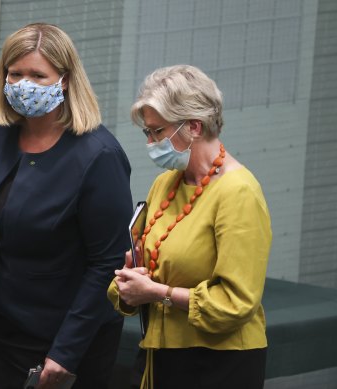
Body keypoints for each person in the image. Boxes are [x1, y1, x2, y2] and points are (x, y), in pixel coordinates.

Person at [0, 23, 133, 389]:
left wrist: (66, 351)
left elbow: (108, 262)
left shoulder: (99, 156)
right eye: (16, 73)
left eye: (39, 75)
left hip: (60, 338)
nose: (25, 84)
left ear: (66, 80)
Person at [107, 65, 272, 389]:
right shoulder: (165, 184)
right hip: (161, 354)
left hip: (218, 364)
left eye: (157, 131)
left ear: (194, 126)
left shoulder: (238, 192)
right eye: (147, 133)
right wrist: (131, 280)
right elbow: (144, 273)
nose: (151, 142)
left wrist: (158, 292)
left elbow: (235, 303)